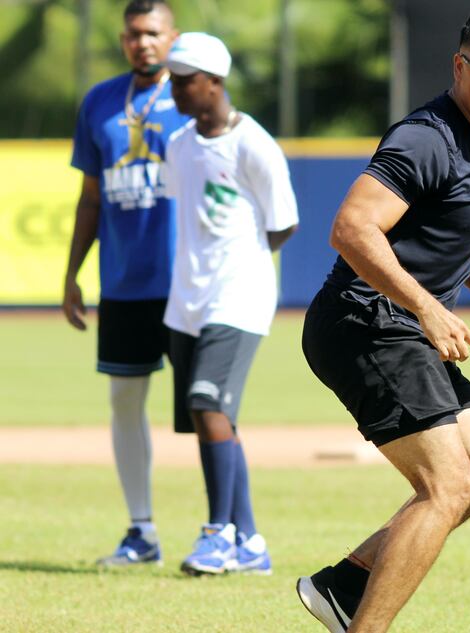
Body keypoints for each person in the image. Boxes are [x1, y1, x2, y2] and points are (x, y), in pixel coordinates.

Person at [298, 7, 470, 631]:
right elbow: (351, 229)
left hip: (399, 326)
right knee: (448, 483)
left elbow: (438, 227)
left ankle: (346, 584)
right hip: (364, 322)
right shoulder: (426, 137)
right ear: (459, 66)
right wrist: (428, 307)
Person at [162, 32, 299, 576]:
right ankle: (250, 544)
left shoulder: (255, 145)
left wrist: (241, 265)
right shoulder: (179, 145)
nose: (173, 90)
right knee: (213, 419)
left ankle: (217, 535)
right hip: (186, 302)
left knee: (207, 405)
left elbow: (283, 223)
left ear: (213, 82)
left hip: (238, 296)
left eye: (182, 80)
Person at [63, 0, 188, 567]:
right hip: (124, 283)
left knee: (209, 407)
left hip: (188, 282)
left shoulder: (193, 96)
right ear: (122, 40)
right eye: (135, 34)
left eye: (154, 33)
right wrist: (72, 274)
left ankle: (228, 530)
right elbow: (91, 196)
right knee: (124, 399)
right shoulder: (99, 102)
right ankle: (141, 531)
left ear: (173, 37)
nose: (144, 42)